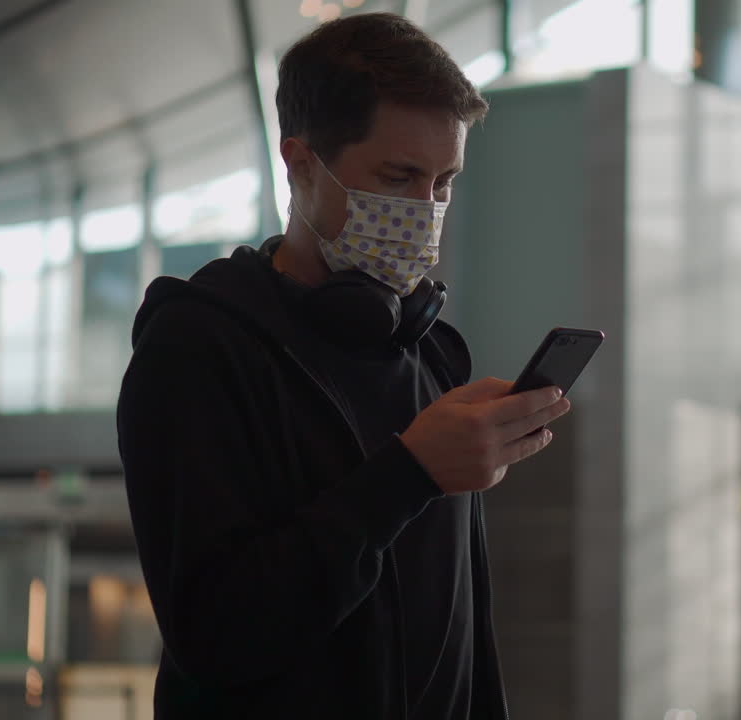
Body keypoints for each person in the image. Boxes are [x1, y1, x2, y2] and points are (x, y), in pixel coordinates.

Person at [117, 13, 571, 718]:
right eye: (398, 176)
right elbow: (216, 636)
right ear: (299, 165)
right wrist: (408, 474)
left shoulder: (431, 351)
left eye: (443, 182)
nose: (425, 210)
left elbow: (464, 635)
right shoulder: (198, 347)